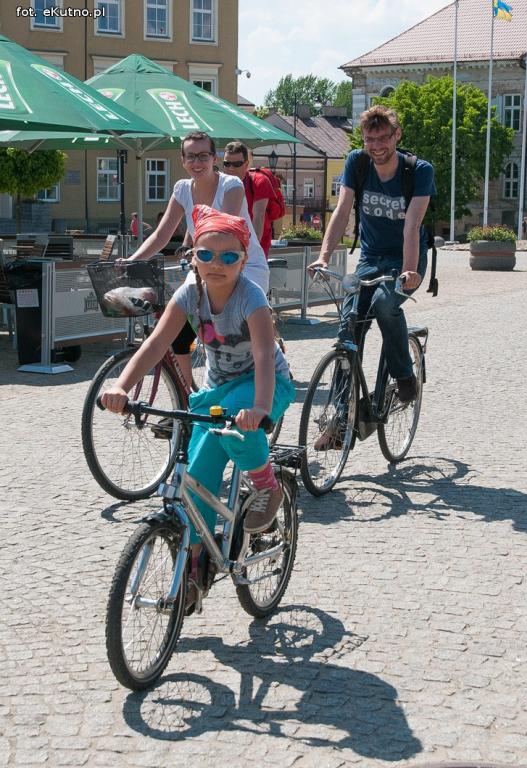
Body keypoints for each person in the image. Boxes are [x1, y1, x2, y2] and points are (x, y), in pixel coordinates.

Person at [101, 205, 295, 609]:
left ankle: (266, 485)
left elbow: (263, 356)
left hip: (263, 386)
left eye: (229, 256)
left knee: (242, 429)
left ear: (244, 259)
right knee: (197, 484)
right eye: (206, 255)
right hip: (218, 390)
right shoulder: (190, 292)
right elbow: (156, 344)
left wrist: (260, 409)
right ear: (193, 258)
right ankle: (192, 572)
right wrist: (121, 385)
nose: (216, 264)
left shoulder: (251, 298)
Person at [308, 105, 435, 446]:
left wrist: (409, 271)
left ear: (397, 136)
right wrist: (323, 257)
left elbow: (412, 226)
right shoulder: (357, 163)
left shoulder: (418, 171)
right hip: (371, 256)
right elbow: (342, 210)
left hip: (406, 257)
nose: (377, 145)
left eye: (383, 137)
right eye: (370, 139)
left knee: (383, 303)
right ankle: (339, 417)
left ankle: (405, 375)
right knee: (348, 326)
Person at [127, 131, 269, 389]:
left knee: (232, 336)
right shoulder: (182, 189)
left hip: (241, 265)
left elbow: (221, 231)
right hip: (206, 263)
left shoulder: (231, 186)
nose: (197, 162)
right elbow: (161, 234)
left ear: (214, 158)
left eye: (203, 156)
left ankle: (260, 375)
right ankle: (188, 396)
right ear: (182, 160)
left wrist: (196, 256)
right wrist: (132, 260)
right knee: (179, 332)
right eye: (191, 156)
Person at [222, 140, 277, 257]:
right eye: (227, 164)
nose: (231, 168)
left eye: (236, 164)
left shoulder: (259, 181)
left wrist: (250, 249)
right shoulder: (219, 184)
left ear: (246, 164)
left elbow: (259, 215)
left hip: (256, 244)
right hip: (227, 244)